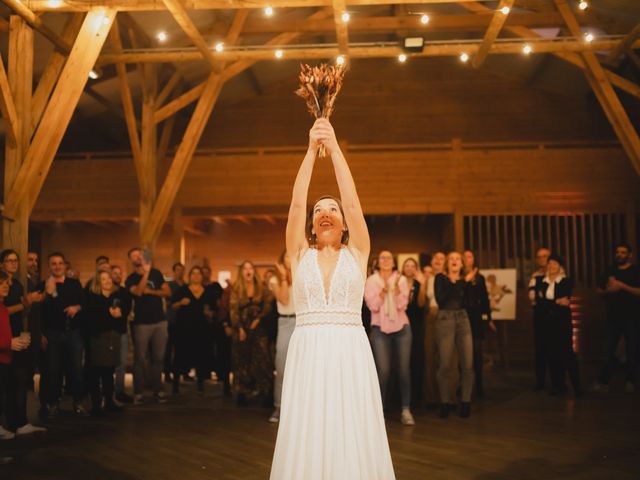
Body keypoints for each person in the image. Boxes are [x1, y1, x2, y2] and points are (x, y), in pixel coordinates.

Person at [270, 118, 394, 479]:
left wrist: (335, 148)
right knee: (308, 424)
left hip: (349, 351)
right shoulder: (298, 254)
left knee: (350, 423)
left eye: (332, 210)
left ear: (343, 223)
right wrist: (310, 151)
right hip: (308, 349)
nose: (325, 213)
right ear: (311, 225)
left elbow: (354, 205)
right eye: (318, 211)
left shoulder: (358, 251)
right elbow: (295, 205)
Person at [364, 250, 414, 426]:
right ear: (378, 261)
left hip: (402, 327)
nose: (385, 260)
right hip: (379, 329)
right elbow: (372, 306)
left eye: (389, 258)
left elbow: (402, 305)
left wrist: (399, 291)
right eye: (382, 257)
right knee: (383, 371)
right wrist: (384, 292)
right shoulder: (371, 281)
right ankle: (379, 411)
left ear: (393, 262)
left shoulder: (400, 279)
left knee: (403, 370)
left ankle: (406, 409)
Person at [39, 252, 86, 417]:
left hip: (73, 333)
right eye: (54, 263)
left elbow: (84, 303)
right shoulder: (43, 285)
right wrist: (50, 293)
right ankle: (53, 404)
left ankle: (78, 403)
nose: (57, 266)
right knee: (52, 371)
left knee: (76, 370)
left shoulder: (74, 284)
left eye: (60, 263)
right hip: (52, 334)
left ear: (65, 266)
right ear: (49, 266)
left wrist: (77, 307)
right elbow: (39, 312)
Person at [592, 243, 640, 393]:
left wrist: (622, 286)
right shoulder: (609, 270)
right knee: (609, 349)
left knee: (632, 350)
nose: (619, 255)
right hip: (613, 317)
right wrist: (608, 290)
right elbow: (599, 290)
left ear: (630, 255)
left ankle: (631, 381)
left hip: (632, 316)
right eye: (617, 252)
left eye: (623, 252)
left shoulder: (635, 271)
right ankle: (603, 381)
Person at [125, 248, 170, 405]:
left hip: (160, 322)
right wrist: (145, 274)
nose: (138, 257)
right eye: (134, 256)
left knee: (158, 358)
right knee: (140, 359)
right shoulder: (130, 278)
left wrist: (151, 292)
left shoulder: (156, 273)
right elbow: (137, 292)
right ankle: (138, 393)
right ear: (131, 260)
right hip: (141, 324)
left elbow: (167, 292)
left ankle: (158, 391)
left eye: (140, 254)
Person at [434, 251, 475, 419]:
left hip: (463, 319)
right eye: (451, 259)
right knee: (445, 364)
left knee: (467, 364)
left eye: (458, 259)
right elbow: (441, 300)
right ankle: (444, 403)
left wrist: (467, 283)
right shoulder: (440, 279)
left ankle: (465, 402)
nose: (454, 261)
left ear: (462, 263)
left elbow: (471, 303)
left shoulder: (467, 281)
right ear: (447, 263)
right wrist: (462, 282)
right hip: (445, 319)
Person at [533, 255, 581, 396]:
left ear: (560, 267)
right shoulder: (540, 281)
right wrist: (555, 302)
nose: (552, 266)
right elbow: (539, 303)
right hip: (546, 324)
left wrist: (548, 302)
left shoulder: (566, 281)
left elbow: (566, 299)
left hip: (562, 323)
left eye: (555, 264)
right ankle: (558, 385)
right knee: (551, 354)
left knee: (567, 353)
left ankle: (577, 386)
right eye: (550, 263)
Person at [86, 270, 130, 415]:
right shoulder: (92, 297)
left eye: (109, 278)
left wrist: (119, 313)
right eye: (103, 279)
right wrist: (109, 314)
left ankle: (109, 402)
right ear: (98, 282)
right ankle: (96, 405)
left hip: (113, 337)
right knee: (96, 371)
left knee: (109, 370)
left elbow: (122, 314)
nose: (107, 281)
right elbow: (92, 319)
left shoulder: (116, 296)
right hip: (98, 338)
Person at [229, 261, 273, 406]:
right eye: (245, 268)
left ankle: (266, 392)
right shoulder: (236, 288)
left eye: (250, 268)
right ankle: (242, 393)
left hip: (259, 328)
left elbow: (268, 305)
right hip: (242, 329)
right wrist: (240, 328)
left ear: (254, 271)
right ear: (241, 272)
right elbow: (233, 309)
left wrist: (259, 318)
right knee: (241, 360)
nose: (248, 271)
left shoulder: (262, 288)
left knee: (262, 360)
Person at [170, 266, 214, 395]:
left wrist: (209, 313)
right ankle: (175, 385)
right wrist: (180, 303)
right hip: (184, 329)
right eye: (193, 273)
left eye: (198, 273)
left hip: (202, 329)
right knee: (180, 356)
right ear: (189, 276)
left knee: (201, 356)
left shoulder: (207, 292)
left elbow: (212, 310)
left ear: (202, 276)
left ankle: (200, 384)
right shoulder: (182, 290)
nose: (196, 276)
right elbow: (172, 306)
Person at [1, 270, 30, 446]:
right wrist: (8, 343)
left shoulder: (2, 307)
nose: (7, 285)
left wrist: (13, 341)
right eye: (2, 283)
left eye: (7, 283)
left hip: (5, 357)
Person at [268, 250, 295, 423]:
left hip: (304, 323)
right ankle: (279, 406)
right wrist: (285, 278)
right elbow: (284, 300)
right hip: (285, 323)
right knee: (282, 366)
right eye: (286, 256)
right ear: (282, 259)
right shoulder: (274, 280)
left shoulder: (304, 276)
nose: (290, 259)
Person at [463, 251, 493, 398]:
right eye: (465, 256)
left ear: (474, 259)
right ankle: (462, 386)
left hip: (476, 318)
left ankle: (480, 385)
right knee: (462, 354)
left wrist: (488, 317)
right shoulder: (460, 277)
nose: (467, 259)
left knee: (477, 352)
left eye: (470, 256)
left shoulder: (480, 278)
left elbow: (485, 298)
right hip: (462, 316)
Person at [401, 257, 425, 410]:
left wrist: (422, 284)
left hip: (416, 322)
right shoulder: (398, 283)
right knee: (403, 362)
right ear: (403, 268)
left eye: (412, 266)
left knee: (416, 358)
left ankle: (417, 398)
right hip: (401, 322)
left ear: (416, 269)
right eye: (407, 265)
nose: (409, 268)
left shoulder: (418, 283)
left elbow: (421, 303)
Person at [528, 247, 551, 390]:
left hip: (556, 316)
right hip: (540, 315)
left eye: (545, 256)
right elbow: (532, 298)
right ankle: (540, 381)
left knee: (557, 348)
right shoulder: (535, 276)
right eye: (539, 256)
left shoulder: (559, 274)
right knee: (540, 348)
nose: (542, 259)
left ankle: (558, 381)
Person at [111, 265, 133, 404]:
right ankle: (107, 391)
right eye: (115, 273)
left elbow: (126, 310)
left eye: (120, 273)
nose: (118, 275)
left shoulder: (125, 293)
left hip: (122, 331)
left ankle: (119, 391)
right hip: (107, 333)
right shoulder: (106, 292)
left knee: (122, 363)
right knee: (107, 363)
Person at [165, 262, 185, 384]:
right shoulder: (169, 285)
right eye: (177, 270)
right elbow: (167, 302)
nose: (179, 272)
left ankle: (183, 371)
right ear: (174, 271)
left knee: (182, 348)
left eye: (181, 270)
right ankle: (167, 373)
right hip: (171, 320)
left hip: (183, 322)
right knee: (168, 348)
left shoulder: (186, 286)